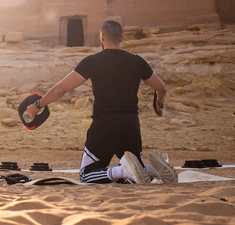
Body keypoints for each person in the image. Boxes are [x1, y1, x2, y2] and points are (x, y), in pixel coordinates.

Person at [21, 20, 172, 184]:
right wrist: (159, 103)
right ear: (122, 38)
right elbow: (161, 88)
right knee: (136, 177)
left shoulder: (92, 61)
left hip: (104, 125)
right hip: (131, 125)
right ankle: (151, 170)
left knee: (87, 175)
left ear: (102, 37)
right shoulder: (137, 62)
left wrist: (38, 105)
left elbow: (61, 89)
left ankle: (122, 170)